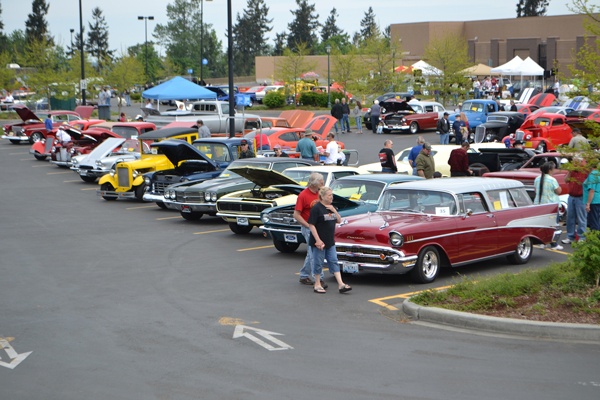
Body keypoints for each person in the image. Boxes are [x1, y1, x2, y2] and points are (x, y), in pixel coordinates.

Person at [308, 186, 352, 294]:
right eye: (329, 195)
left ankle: (341, 284)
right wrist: (318, 240)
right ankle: (317, 284)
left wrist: (334, 211)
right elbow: (311, 225)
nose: (331, 197)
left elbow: (338, 220)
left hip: (330, 241)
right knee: (318, 262)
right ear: (322, 196)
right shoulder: (316, 208)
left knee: (333, 261)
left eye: (332, 195)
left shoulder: (331, 207)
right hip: (319, 242)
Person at [294, 173, 327, 289]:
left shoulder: (320, 194)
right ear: (314, 183)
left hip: (318, 227)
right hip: (308, 228)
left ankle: (304, 275)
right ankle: (319, 278)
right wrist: (307, 225)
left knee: (311, 252)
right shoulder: (303, 195)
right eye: (321, 181)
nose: (323, 183)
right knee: (315, 252)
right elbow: (296, 215)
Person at [534, 161, 563, 249]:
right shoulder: (552, 180)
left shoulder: (537, 178)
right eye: (553, 169)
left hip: (539, 205)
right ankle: (554, 244)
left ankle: (543, 242)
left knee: (542, 225)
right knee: (553, 225)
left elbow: (535, 191)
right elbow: (558, 191)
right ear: (550, 170)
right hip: (551, 206)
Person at [563, 156, 589, 244]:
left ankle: (582, 237)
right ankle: (570, 236)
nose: (574, 164)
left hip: (581, 197)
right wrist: (570, 171)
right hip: (571, 196)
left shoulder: (585, 171)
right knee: (570, 217)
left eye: (576, 162)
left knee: (582, 218)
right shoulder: (572, 171)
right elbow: (566, 180)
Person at [584, 163, 600, 231]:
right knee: (597, 220)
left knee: (593, 222)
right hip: (598, 199)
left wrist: (588, 203)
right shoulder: (598, 173)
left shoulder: (592, 175)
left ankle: (594, 239)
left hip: (594, 200)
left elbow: (592, 190)